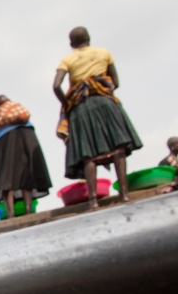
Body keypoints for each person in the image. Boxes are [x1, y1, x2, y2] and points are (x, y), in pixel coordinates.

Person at [53, 26, 143, 209]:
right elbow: (115, 82)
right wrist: (100, 90)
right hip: (105, 104)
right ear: (89, 38)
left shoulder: (67, 60)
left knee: (89, 155)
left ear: (71, 44)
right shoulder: (103, 53)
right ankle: (124, 195)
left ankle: (93, 201)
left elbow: (56, 86)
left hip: (81, 108)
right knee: (118, 149)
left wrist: (68, 103)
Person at [0, 91, 51, 219]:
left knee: (5, 174)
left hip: (5, 136)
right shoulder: (3, 102)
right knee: (26, 171)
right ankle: (29, 211)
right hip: (27, 132)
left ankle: (11, 214)